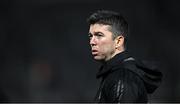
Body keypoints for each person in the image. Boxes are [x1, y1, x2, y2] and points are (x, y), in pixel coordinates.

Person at [87, 10, 162, 103]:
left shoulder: (123, 77)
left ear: (118, 41)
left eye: (99, 35)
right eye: (90, 36)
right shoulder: (116, 73)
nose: (92, 42)